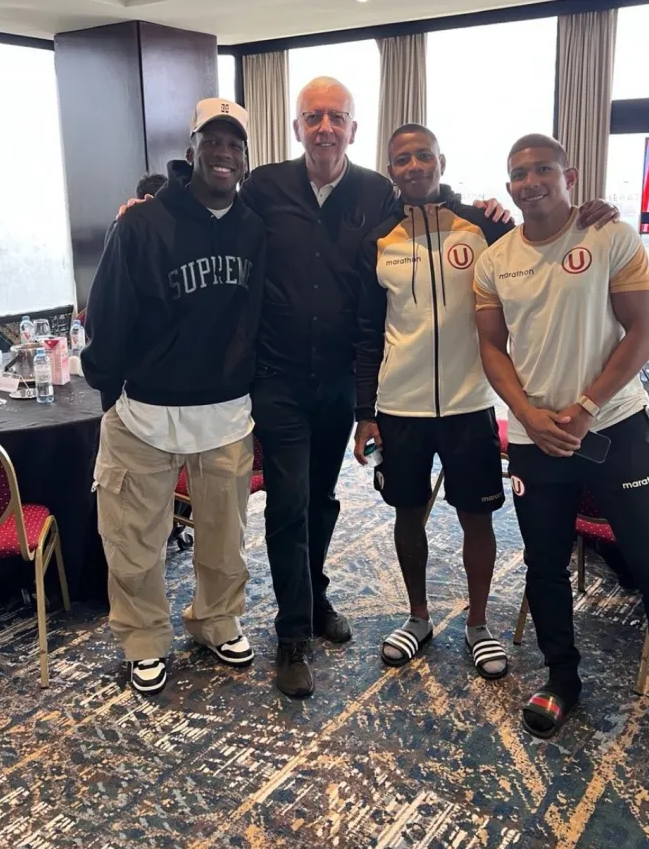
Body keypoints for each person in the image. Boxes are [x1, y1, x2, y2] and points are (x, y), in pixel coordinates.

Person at [120, 77, 619, 699]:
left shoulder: (379, 194)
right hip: (277, 377)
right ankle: (293, 634)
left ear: (353, 130)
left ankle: (321, 593)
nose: (325, 126)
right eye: (313, 117)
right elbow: (205, 189)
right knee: (290, 504)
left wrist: (559, 211)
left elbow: (451, 212)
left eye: (337, 117)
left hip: (349, 382)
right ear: (297, 127)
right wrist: (150, 202)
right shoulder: (266, 184)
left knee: (325, 500)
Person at [474, 133, 649, 767]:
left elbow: (641, 332)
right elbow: (492, 349)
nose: (531, 182)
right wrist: (527, 414)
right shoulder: (495, 260)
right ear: (509, 187)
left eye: (542, 170)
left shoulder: (610, 236)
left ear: (569, 174)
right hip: (535, 439)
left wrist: (584, 408)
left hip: (613, 427)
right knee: (545, 565)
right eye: (518, 174)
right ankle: (562, 679)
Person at [82, 98, 265, 695]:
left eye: (234, 143)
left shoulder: (253, 226)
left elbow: (261, 315)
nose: (223, 152)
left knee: (223, 537)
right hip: (144, 413)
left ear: (244, 157)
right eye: (212, 141)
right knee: (134, 538)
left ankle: (216, 619)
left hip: (227, 413)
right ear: (191, 150)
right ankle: (143, 637)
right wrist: (110, 390)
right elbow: (106, 314)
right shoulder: (140, 224)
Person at [353, 125, 512, 679]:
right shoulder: (378, 239)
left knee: (478, 516)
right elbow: (368, 335)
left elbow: (538, 253)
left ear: (441, 161)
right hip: (401, 406)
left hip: (470, 402)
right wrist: (365, 413)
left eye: (423, 155)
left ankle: (478, 623)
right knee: (407, 514)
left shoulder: (485, 225)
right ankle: (417, 616)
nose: (414, 165)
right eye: (402, 159)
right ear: (391, 169)